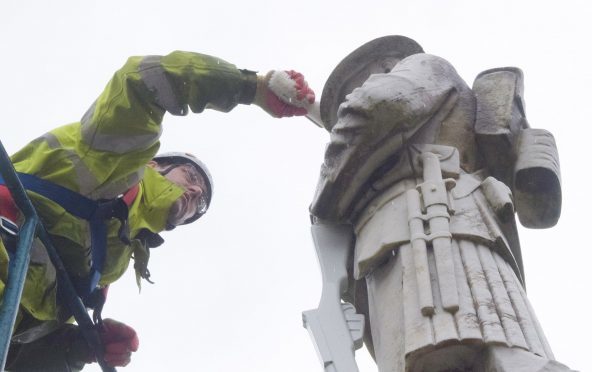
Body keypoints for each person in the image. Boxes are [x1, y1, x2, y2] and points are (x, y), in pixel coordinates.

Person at [0, 51, 315, 370]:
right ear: (153, 164)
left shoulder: (110, 260)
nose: (195, 192)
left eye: (201, 202)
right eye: (190, 176)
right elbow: (143, 79)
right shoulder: (114, 162)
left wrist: (75, 347)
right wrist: (253, 88)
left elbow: (27, 323)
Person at [309, 36, 570, 371]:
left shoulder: (421, 68)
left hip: (435, 226)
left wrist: (324, 199)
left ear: (385, 65)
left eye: (349, 92)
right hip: (406, 238)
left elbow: (380, 104)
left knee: (481, 352)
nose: (350, 103)